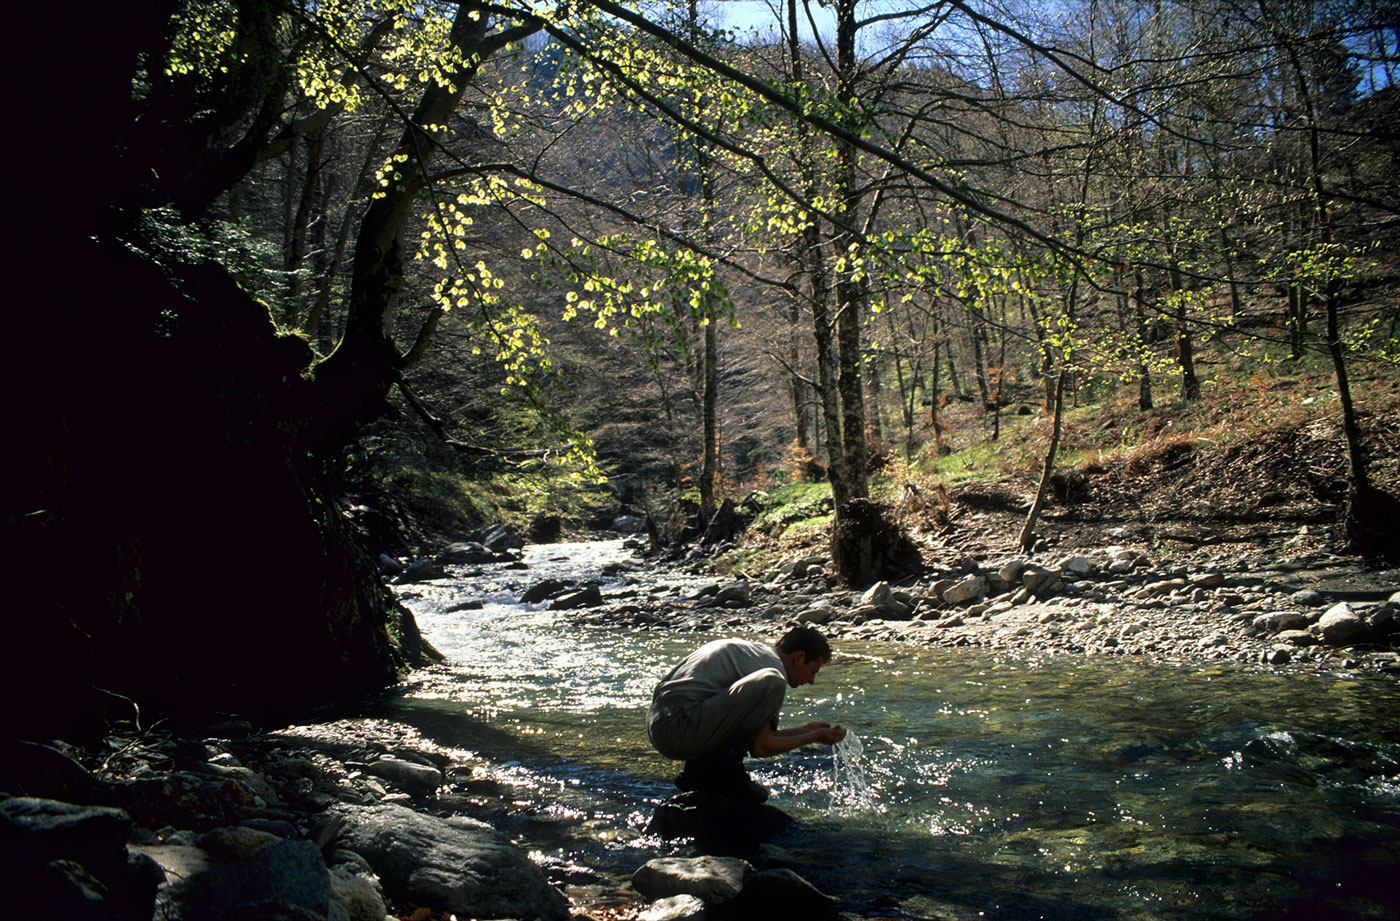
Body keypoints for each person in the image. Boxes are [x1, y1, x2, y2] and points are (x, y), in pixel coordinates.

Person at [646, 625, 847, 803]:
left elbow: (755, 737)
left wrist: (803, 730)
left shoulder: (753, 652)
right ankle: (724, 773)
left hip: (661, 725)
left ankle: (698, 770)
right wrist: (815, 737)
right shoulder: (772, 669)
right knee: (772, 679)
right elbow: (761, 747)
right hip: (680, 729)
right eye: (813, 671)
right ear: (799, 657)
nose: (811, 680)